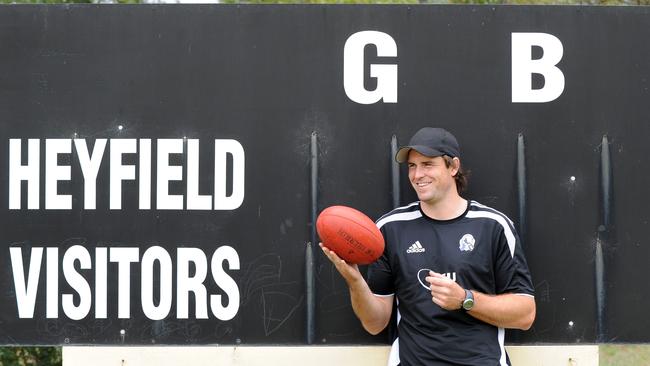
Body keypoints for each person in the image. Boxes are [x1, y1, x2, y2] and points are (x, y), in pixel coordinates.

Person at [320, 127, 536, 366]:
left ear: (453, 167)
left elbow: (525, 314)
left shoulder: (493, 225)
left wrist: (465, 299)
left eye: (427, 164)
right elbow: (375, 323)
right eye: (412, 166)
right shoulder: (390, 228)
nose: (417, 174)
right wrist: (355, 282)